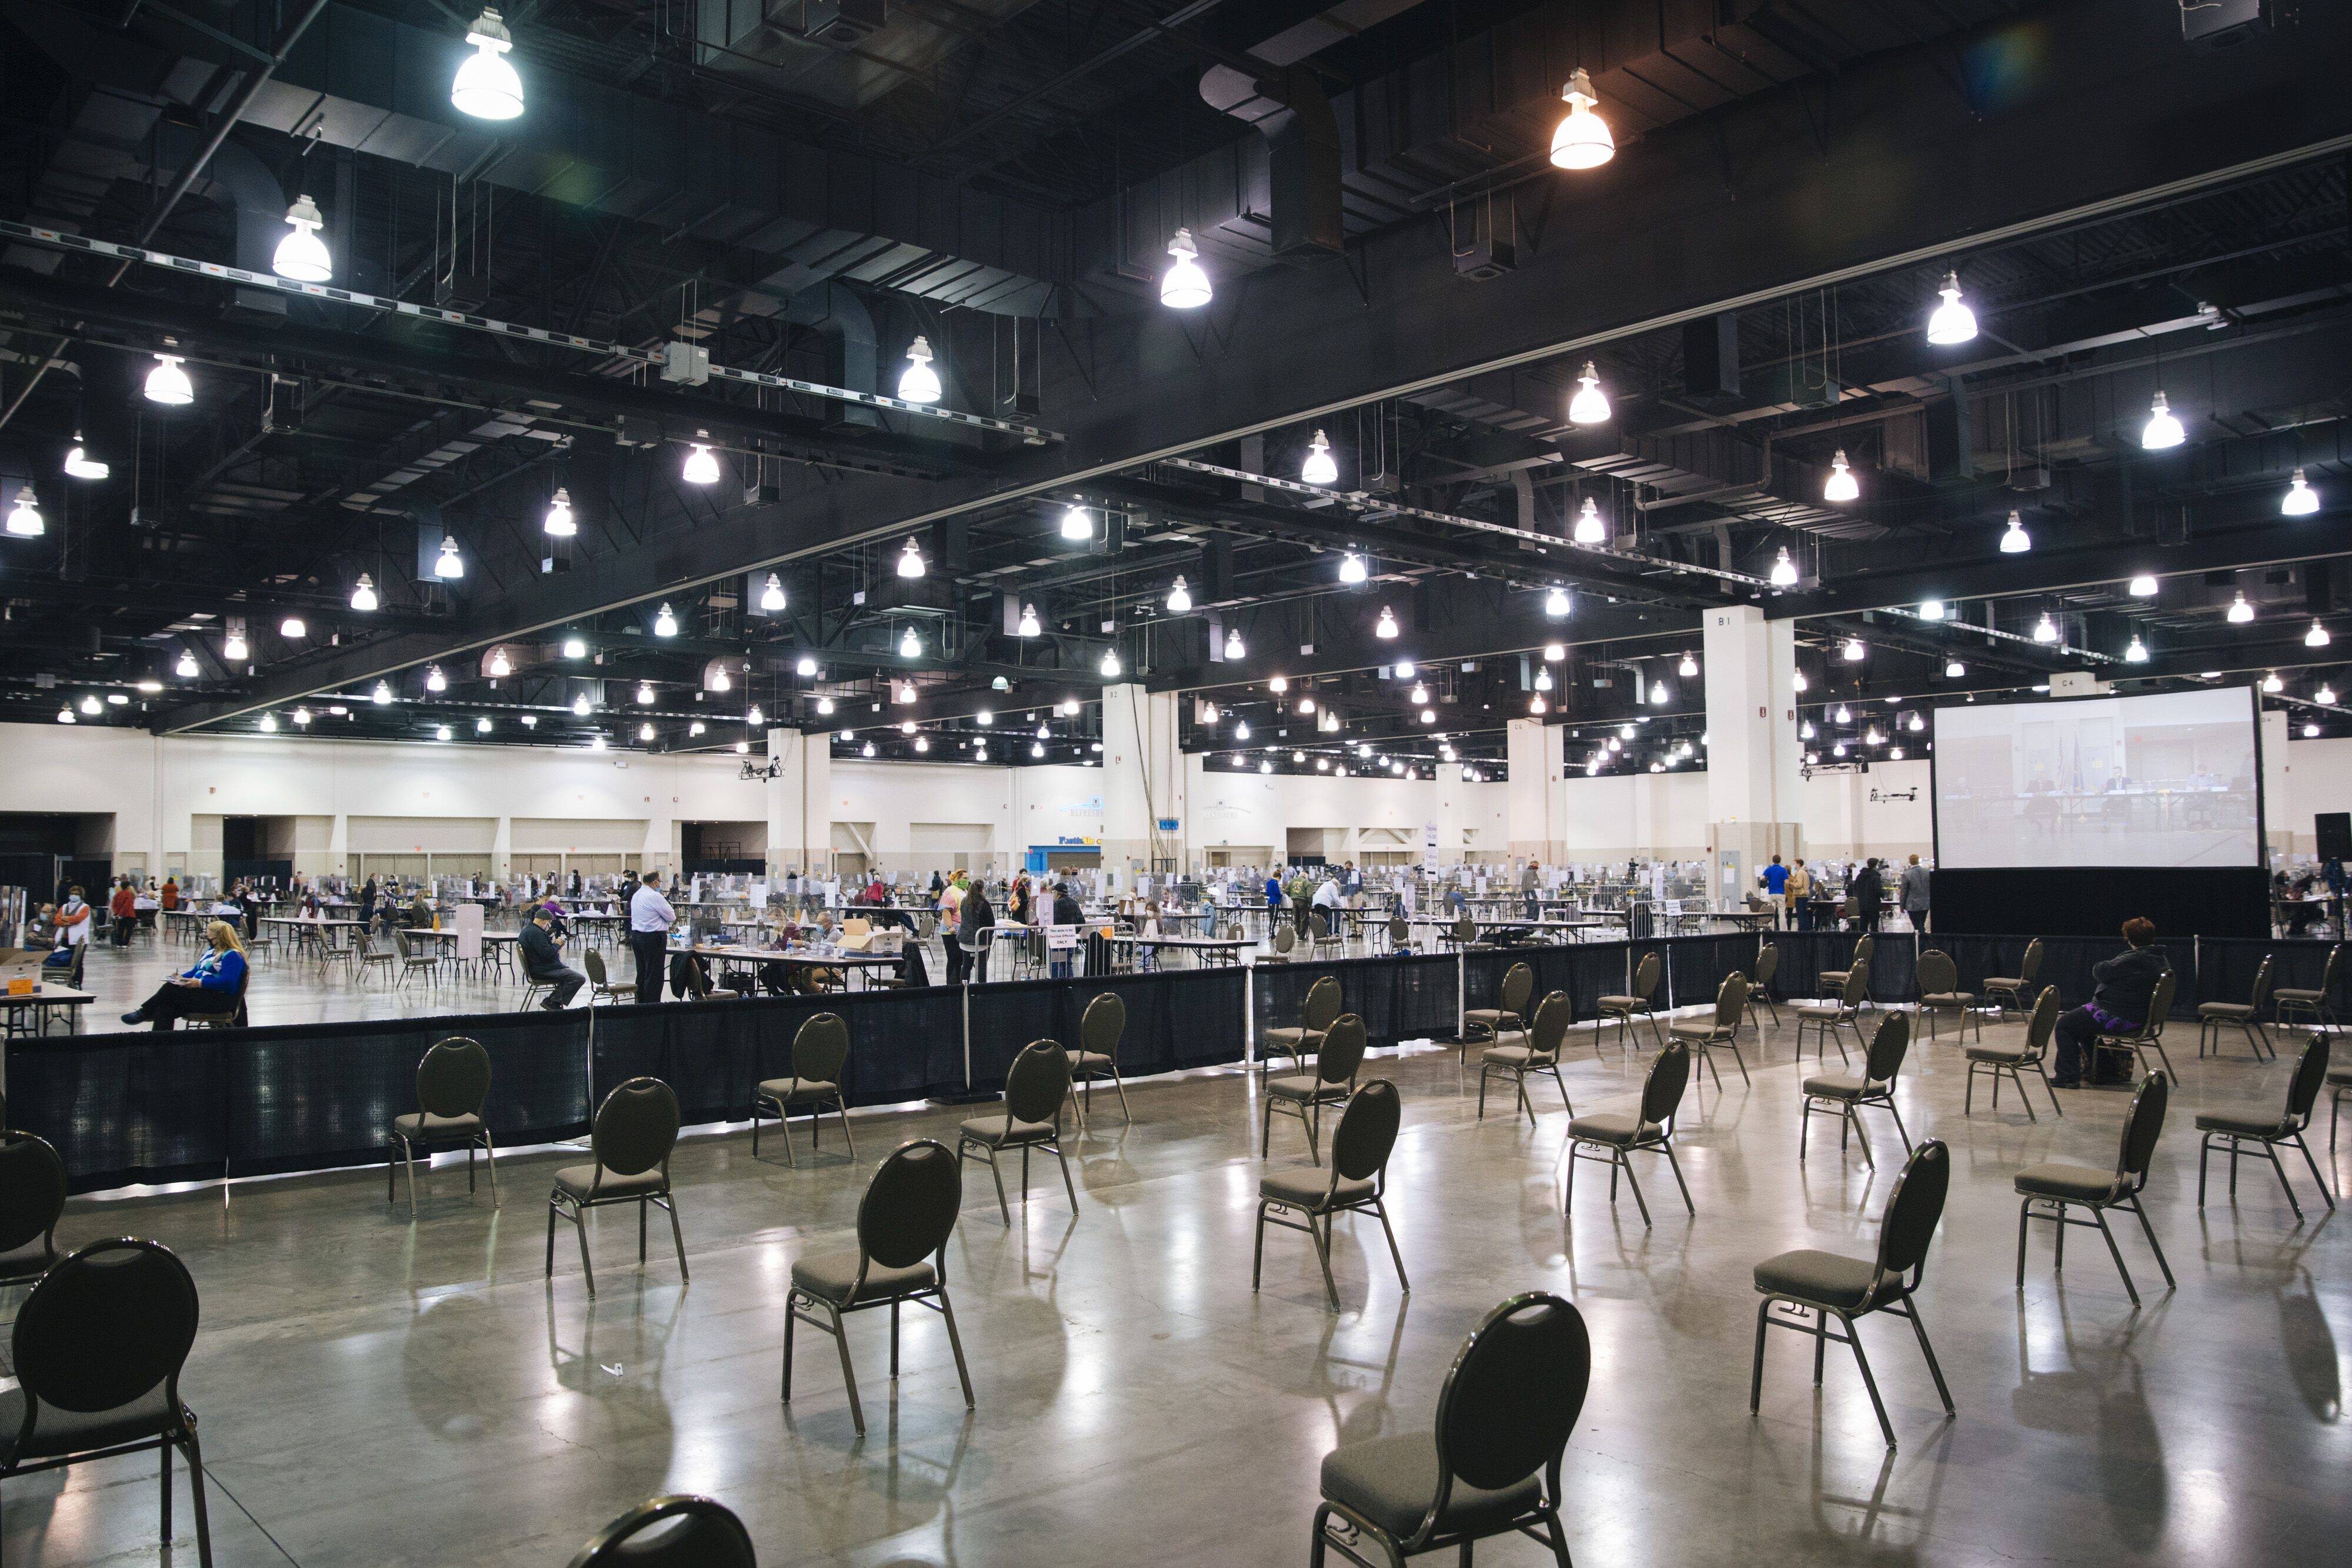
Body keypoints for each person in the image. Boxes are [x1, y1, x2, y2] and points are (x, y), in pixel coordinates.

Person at [2053, 918, 2168, 1088]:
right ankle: (2105, 1069)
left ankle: (2068, 1076)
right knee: (2083, 1025)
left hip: (2122, 1017)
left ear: (2128, 938)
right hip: (2138, 1015)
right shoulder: (2160, 958)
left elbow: (2100, 970)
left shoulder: (2136, 959)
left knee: (2064, 1025)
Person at [119, 920, 248, 1031]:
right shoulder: (211, 952)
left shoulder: (232, 955)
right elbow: (195, 972)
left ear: (220, 938)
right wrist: (180, 978)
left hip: (220, 999)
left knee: (170, 989)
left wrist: (199, 983)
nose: (208, 939)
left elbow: (229, 982)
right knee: (164, 1008)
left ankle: (144, 1012)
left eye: (210, 938)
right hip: (204, 994)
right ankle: (159, 1045)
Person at [517, 906, 584, 1010]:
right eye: (549, 922)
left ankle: (554, 1001)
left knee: (567, 975)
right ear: (543, 920)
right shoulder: (536, 934)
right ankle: (553, 1001)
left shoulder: (529, 931)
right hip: (542, 970)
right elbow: (547, 953)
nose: (550, 925)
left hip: (538, 967)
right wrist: (557, 945)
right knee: (578, 978)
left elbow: (543, 951)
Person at [628, 870, 677, 1004]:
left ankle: (641, 1003)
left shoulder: (637, 895)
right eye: (660, 882)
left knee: (642, 972)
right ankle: (652, 1006)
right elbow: (672, 916)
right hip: (652, 938)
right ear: (655, 882)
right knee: (654, 975)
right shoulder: (655, 896)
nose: (660, 885)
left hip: (637, 936)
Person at [960, 874, 997, 982]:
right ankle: (981, 992)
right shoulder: (984, 904)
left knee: (966, 966)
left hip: (965, 941)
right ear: (983, 890)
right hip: (981, 942)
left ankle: (964, 991)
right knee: (982, 968)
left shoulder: (964, 901)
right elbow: (991, 923)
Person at [1898, 853, 1932, 933]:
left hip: (1913, 905)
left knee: (1917, 926)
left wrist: (1902, 906)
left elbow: (1904, 892)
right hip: (1926, 904)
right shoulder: (1927, 872)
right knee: (1921, 924)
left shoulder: (1907, 874)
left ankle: (1921, 942)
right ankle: (1922, 941)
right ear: (1918, 860)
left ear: (1910, 862)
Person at [1850, 857, 1885, 934]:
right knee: (1874, 927)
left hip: (1862, 905)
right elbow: (1878, 890)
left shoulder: (1860, 876)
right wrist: (1883, 895)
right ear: (1875, 866)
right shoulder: (1875, 877)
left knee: (1863, 926)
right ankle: (1874, 943)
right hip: (1873, 905)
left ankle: (1863, 943)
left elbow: (1855, 888)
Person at [1761, 855, 1789, 927]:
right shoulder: (1783, 870)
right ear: (1780, 861)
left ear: (1773, 860)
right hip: (1781, 893)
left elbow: (1762, 878)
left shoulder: (1769, 869)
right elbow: (1787, 883)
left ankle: (1771, 928)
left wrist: (1767, 879)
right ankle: (1783, 930)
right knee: (1782, 913)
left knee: (1771, 912)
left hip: (1772, 893)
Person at [109, 878, 138, 947]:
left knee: (120, 929)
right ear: (128, 887)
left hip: (119, 915)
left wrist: (117, 913)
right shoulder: (129, 895)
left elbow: (113, 904)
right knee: (129, 930)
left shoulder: (117, 894)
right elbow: (127, 905)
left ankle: (119, 943)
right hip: (129, 915)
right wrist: (121, 913)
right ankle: (125, 943)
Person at [1786, 858, 1812, 931]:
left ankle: (1801, 930)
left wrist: (1791, 884)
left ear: (1798, 864)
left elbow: (1799, 884)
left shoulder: (1800, 873)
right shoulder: (1805, 872)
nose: (1794, 865)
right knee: (1805, 914)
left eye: (1795, 864)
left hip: (1800, 896)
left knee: (1801, 914)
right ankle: (1806, 929)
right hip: (1805, 896)